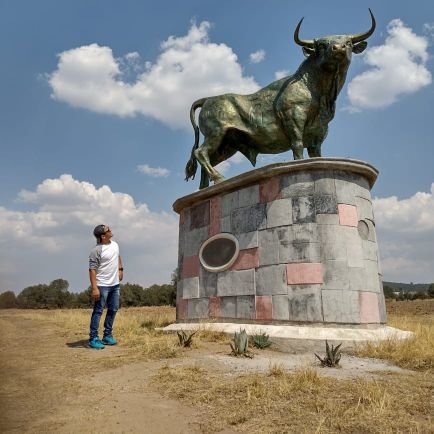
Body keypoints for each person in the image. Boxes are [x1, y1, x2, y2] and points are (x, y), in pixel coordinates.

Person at [88, 224, 123, 349]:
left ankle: (107, 336)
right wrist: (94, 288)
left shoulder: (115, 244)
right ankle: (93, 338)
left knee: (113, 309)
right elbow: (92, 270)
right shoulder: (96, 251)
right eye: (108, 230)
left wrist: (120, 269)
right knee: (98, 311)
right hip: (102, 286)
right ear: (103, 236)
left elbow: (117, 256)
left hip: (115, 285)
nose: (111, 230)